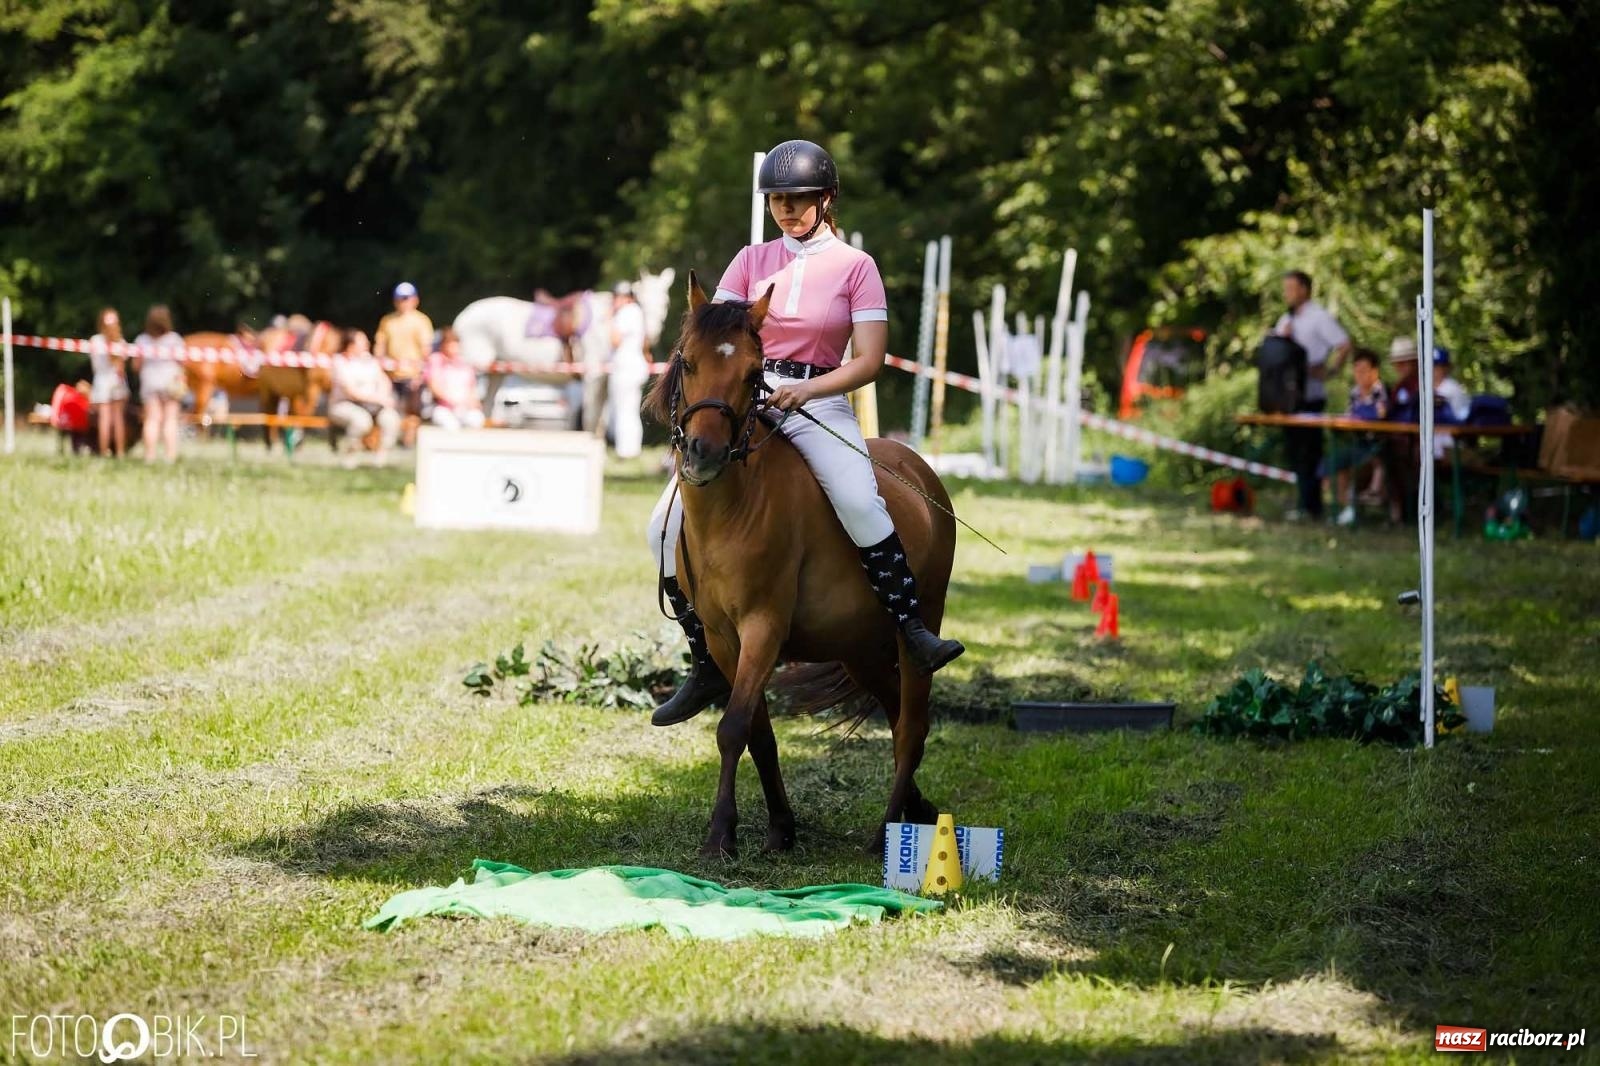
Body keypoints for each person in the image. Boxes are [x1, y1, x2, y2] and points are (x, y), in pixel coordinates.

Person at [644, 138, 964, 728]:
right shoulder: (749, 259)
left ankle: (910, 629)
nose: (786, 209)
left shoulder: (855, 268)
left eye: (799, 198)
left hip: (819, 400)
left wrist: (809, 390)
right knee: (661, 527)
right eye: (777, 200)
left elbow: (868, 360)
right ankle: (704, 660)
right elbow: (718, 342)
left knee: (858, 499)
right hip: (750, 403)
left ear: (826, 198)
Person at [1272, 270, 1352, 520]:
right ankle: (1304, 503)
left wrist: (1330, 371)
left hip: (1310, 394)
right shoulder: (1286, 319)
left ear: (1304, 289)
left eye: (1291, 288)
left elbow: (1344, 343)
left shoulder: (1318, 317)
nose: (1288, 293)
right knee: (1295, 452)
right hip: (1288, 396)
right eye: (1285, 288)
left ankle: (1313, 506)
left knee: (1310, 452)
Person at [1330, 348, 1389, 526]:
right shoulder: (1355, 392)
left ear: (1374, 371)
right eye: (1356, 370)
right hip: (1358, 443)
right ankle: (1346, 508)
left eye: (1363, 370)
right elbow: (1349, 417)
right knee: (1338, 461)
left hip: (1379, 444)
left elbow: (1381, 415)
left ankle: (1373, 493)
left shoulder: (1380, 390)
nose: (1359, 375)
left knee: (1377, 459)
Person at [329, 328, 400, 465]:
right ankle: (349, 457)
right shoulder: (340, 362)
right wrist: (378, 399)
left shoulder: (370, 361)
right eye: (362, 342)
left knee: (391, 419)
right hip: (345, 404)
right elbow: (351, 392)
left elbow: (383, 380)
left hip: (373, 405)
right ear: (350, 345)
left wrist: (384, 397)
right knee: (361, 421)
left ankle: (380, 460)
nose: (367, 344)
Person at [374, 281, 433, 433]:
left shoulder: (421, 321)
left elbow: (426, 351)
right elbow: (380, 347)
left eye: (407, 298)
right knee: (390, 410)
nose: (404, 302)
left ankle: (408, 442)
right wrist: (379, 370)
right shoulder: (387, 321)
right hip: (391, 376)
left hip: (412, 376)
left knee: (412, 412)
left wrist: (421, 374)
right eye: (401, 298)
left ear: (415, 300)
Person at [133, 305, 185, 463]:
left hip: (150, 383)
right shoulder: (175, 339)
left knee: (152, 420)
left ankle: (150, 456)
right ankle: (170, 456)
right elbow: (183, 361)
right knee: (170, 420)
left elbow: (136, 366)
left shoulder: (141, 340)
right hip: (171, 383)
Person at [607, 281, 649, 458]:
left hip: (626, 367)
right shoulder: (637, 312)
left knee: (624, 409)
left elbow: (615, 340)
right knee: (630, 409)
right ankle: (632, 448)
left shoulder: (625, 313)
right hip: (635, 365)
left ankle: (624, 450)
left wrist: (609, 318)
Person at [88, 307, 130, 457]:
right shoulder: (121, 342)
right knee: (118, 419)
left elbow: (95, 366)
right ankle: (119, 452)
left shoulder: (95, 341)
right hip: (116, 381)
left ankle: (104, 451)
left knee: (104, 419)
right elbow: (121, 368)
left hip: (101, 382)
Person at [424, 327, 485, 430]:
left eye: (455, 344)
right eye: (450, 344)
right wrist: (453, 401)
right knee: (451, 425)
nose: (453, 347)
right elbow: (434, 387)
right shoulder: (436, 360)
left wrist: (472, 401)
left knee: (476, 420)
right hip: (443, 407)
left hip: (464, 407)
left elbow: (471, 388)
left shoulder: (464, 363)